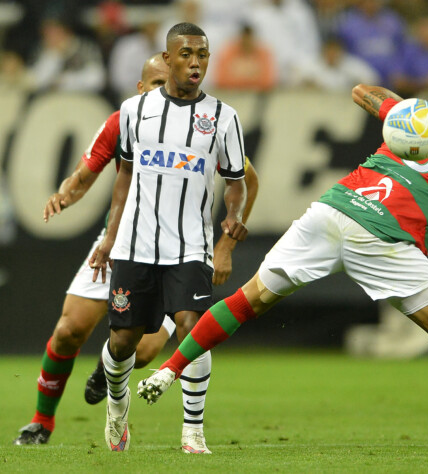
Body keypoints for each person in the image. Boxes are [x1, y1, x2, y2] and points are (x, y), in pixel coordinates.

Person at [137, 83, 428, 458]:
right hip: (382, 235)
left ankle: (171, 368)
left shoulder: (415, 123)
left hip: (332, 210)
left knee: (249, 299)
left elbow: (359, 92)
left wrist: (407, 108)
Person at [12, 52, 258, 448]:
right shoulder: (127, 118)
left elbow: (245, 179)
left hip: (180, 248)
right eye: (158, 84)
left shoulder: (208, 121)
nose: (169, 90)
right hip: (125, 242)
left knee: (143, 352)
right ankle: (42, 421)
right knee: (69, 329)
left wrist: (225, 246)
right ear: (141, 88)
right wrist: (64, 196)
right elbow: (88, 172)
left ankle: (115, 378)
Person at [88, 22, 249, 452]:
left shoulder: (223, 117)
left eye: (203, 54)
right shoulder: (134, 111)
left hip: (190, 245)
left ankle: (192, 431)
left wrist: (230, 223)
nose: (195, 62)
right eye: (186, 54)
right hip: (135, 244)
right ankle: (117, 409)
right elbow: (123, 174)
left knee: (192, 329)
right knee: (124, 342)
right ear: (168, 56)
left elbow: (236, 181)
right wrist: (109, 237)